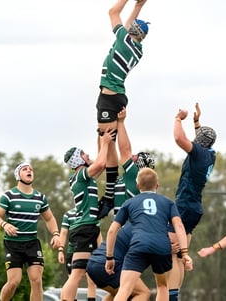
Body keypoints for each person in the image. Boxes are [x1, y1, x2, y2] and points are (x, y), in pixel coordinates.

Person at [105, 168, 193, 301]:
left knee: (125, 288)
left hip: (139, 245)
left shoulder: (129, 203)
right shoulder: (168, 203)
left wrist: (109, 257)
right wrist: (185, 253)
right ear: (157, 185)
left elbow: (112, 231)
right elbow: (179, 226)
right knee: (163, 286)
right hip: (162, 248)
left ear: (137, 186)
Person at [96, 0, 150, 214]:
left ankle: (109, 195)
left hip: (111, 98)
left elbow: (113, 11)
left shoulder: (124, 40)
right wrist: (139, 6)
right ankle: (109, 194)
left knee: (107, 145)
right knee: (104, 143)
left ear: (131, 31)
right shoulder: (136, 47)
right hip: (112, 97)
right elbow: (127, 25)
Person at [0, 162, 62, 301]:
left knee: (37, 281)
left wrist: (56, 234)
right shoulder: (9, 196)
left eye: (31, 169)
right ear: (18, 175)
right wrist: (5, 224)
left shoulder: (40, 198)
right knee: (13, 283)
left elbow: (49, 218)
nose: (29, 171)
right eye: (25, 169)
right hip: (12, 244)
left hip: (32, 244)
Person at [167, 102, 217, 300]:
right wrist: (197, 122)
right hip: (193, 207)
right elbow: (201, 140)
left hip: (185, 205)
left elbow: (180, 138)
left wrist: (178, 119)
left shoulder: (198, 153)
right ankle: (175, 295)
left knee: (171, 252)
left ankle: (171, 296)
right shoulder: (210, 154)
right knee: (180, 255)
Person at [60, 129, 115, 301]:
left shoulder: (85, 177)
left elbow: (102, 162)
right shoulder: (80, 175)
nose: (87, 154)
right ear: (78, 159)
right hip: (84, 228)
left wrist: (100, 137)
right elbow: (99, 165)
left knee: (86, 272)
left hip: (89, 228)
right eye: (83, 153)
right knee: (76, 275)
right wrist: (105, 142)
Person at [98, 107, 155, 218]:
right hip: (123, 229)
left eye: (137, 156)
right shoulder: (128, 179)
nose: (133, 156)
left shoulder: (135, 175)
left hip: (128, 229)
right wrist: (103, 136)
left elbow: (125, 150)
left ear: (140, 165)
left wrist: (121, 122)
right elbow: (107, 160)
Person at [86, 222, 151, 301]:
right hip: (108, 265)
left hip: (93, 263)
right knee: (142, 293)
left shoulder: (133, 220)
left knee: (118, 294)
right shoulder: (151, 227)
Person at [58, 208, 102, 301]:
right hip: (72, 251)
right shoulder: (68, 214)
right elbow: (63, 233)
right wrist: (60, 250)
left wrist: (101, 253)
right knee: (73, 279)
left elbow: (98, 233)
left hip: (91, 252)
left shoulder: (92, 214)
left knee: (92, 282)